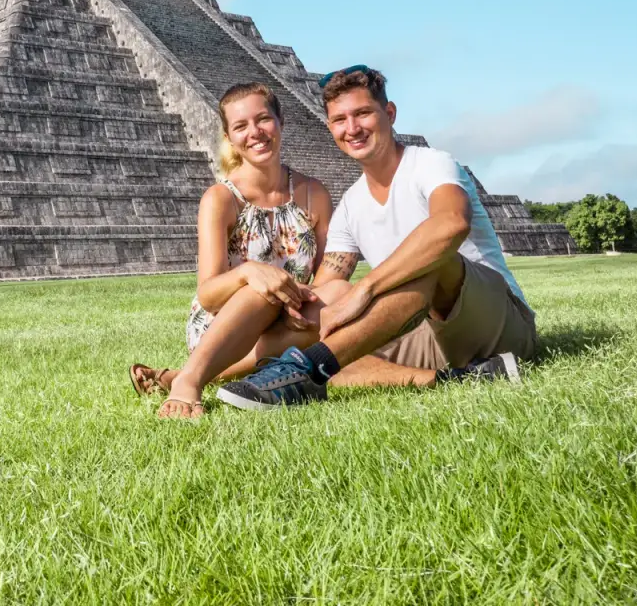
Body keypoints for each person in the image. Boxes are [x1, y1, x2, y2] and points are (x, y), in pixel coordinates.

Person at [213, 65, 537, 411]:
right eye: (339, 120)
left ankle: (303, 368)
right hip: (426, 335)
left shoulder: (431, 164)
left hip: (498, 324)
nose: (352, 128)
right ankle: (462, 377)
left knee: (430, 262)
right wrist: (198, 371)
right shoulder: (352, 204)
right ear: (330, 127)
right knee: (333, 331)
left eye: (363, 113)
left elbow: (451, 223)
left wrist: (366, 289)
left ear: (390, 113)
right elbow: (326, 295)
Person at [131, 81, 430, 420]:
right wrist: (249, 272)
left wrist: (295, 301)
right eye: (241, 126)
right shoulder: (220, 199)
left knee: (340, 290)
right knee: (262, 291)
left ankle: (197, 374)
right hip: (222, 330)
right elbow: (210, 295)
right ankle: (189, 379)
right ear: (229, 138)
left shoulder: (313, 193)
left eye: (263, 119)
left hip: (292, 320)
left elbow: (325, 283)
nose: (255, 132)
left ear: (280, 122)